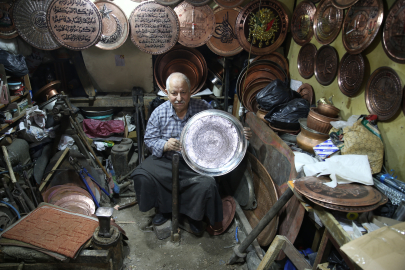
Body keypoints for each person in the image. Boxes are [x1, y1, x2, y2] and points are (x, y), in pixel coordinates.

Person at [131, 72, 251, 235]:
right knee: (142, 175)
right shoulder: (159, 112)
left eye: (183, 92)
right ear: (167, 93)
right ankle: (163, 211)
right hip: (165, 161)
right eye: (174, 93)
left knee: (207, 184)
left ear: (190, 92)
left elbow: (222, 127)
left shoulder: (202, 108)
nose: (179, 98)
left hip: (195, 164)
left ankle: (194, 216)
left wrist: (238, 133)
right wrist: (164, 144)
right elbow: (149, 139)